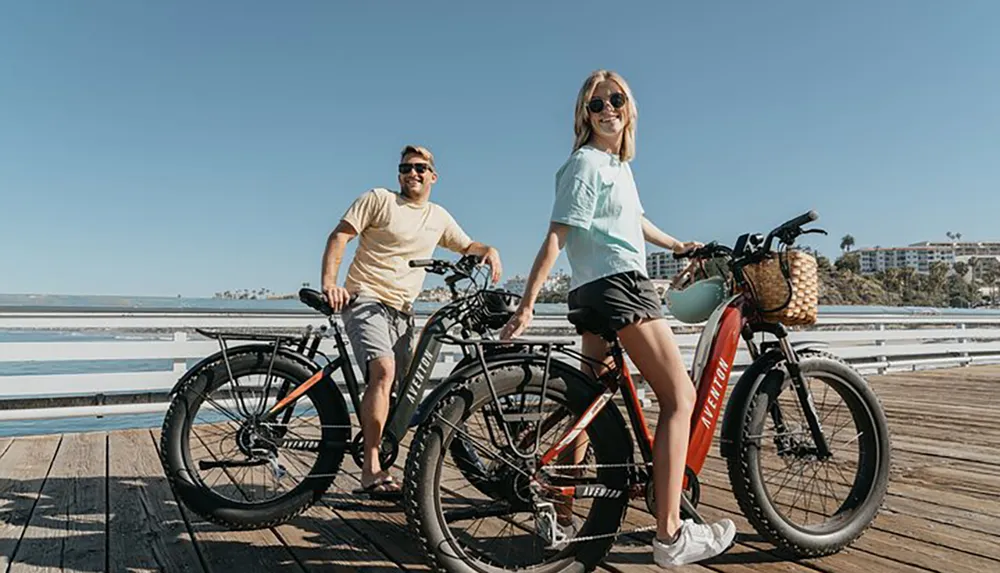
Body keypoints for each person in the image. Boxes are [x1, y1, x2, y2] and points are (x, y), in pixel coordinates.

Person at [499, 70, 736, 567]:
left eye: (617, 99)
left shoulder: (617, 167)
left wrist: (677, 245)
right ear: (583, 116)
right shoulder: (586, 163)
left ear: (629, 107)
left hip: (594, 293)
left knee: (587, 406)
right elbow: (556, 236)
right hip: (620, 287)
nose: (608, 108)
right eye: (596, 104)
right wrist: (526, 303)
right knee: (680, 397)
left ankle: (562, 518)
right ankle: (671, 535)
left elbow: (634, 222)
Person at [321, 144, 502, 498]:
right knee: (384, 371)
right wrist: (330, 283)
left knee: (401, 393)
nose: (412, 174)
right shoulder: (379, 199)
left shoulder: (438, 217)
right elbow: (340, 235)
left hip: (403, 310)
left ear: (433, 176)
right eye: (405, 168)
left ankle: (385, 461)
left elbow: (466, 245)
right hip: (365, 298)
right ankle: (371, 469)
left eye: (420, 168)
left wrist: (488, 250)